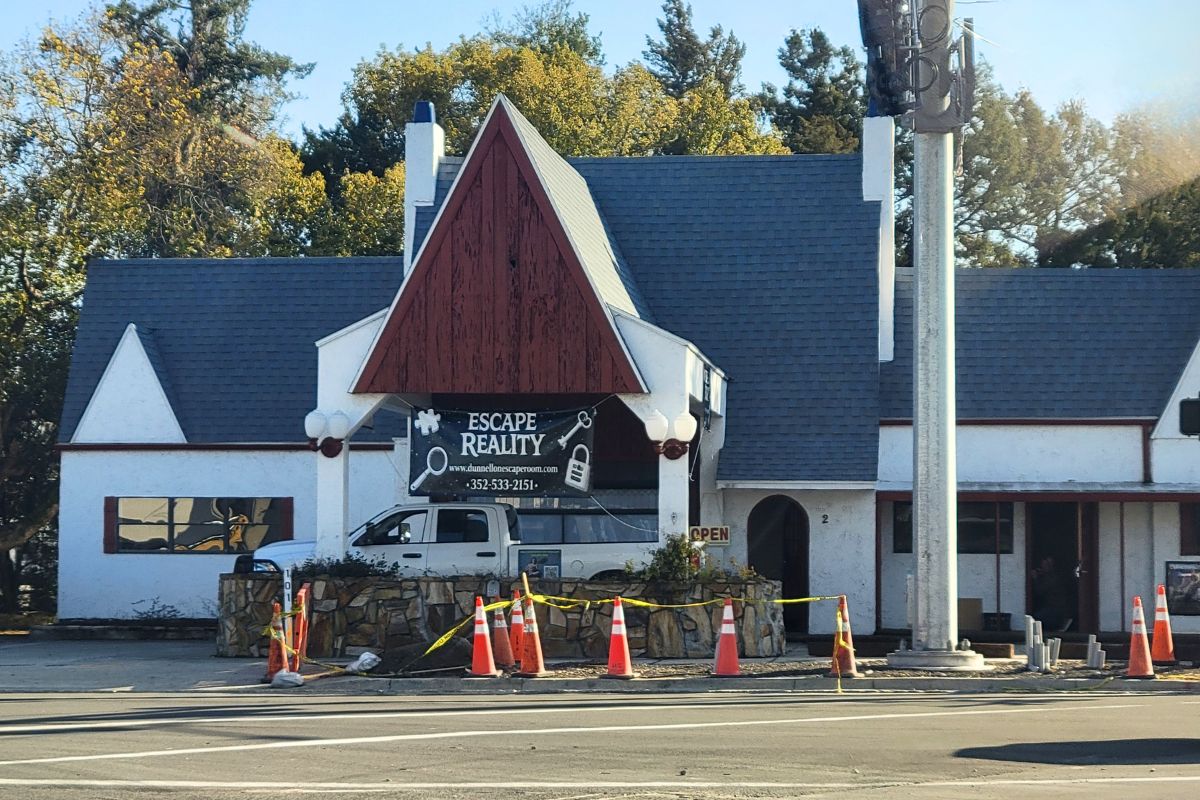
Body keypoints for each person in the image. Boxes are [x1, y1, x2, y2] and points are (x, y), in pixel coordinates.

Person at [1031, 556, 1072, 632]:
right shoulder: (1048, 576)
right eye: (1043, 564)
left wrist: (1036, 578)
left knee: (1034, 618)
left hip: (1056, 609)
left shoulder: (1053, 578)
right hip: (1052, 607)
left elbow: (1040, 591)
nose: (1043, 567)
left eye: (1047, 565)